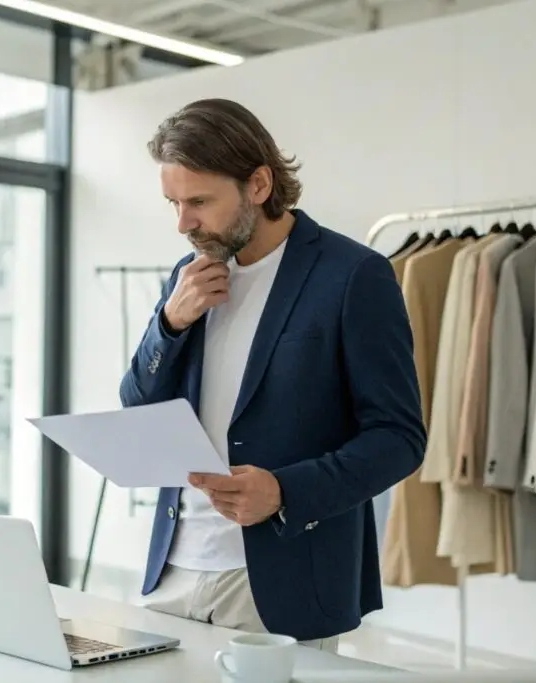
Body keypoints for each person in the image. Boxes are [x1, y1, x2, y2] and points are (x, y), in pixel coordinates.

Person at [119, 98, 425, 652]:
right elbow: (137, 405)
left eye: (198, 202)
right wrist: (171, 322)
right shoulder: (187, 277)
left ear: (258, 185)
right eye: (173, 203)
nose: (183, 223)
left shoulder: (354, 276)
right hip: (171, 572)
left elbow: (399, 439)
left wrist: (285, 491)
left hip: (282, 580)